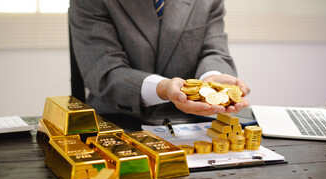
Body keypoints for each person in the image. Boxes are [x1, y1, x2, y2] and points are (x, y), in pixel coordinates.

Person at [69, 0, 250, 124]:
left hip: (194, 122)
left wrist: (212, 79)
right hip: (117, 120)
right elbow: (105, 70)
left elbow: (214, 51)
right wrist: (162, 88)